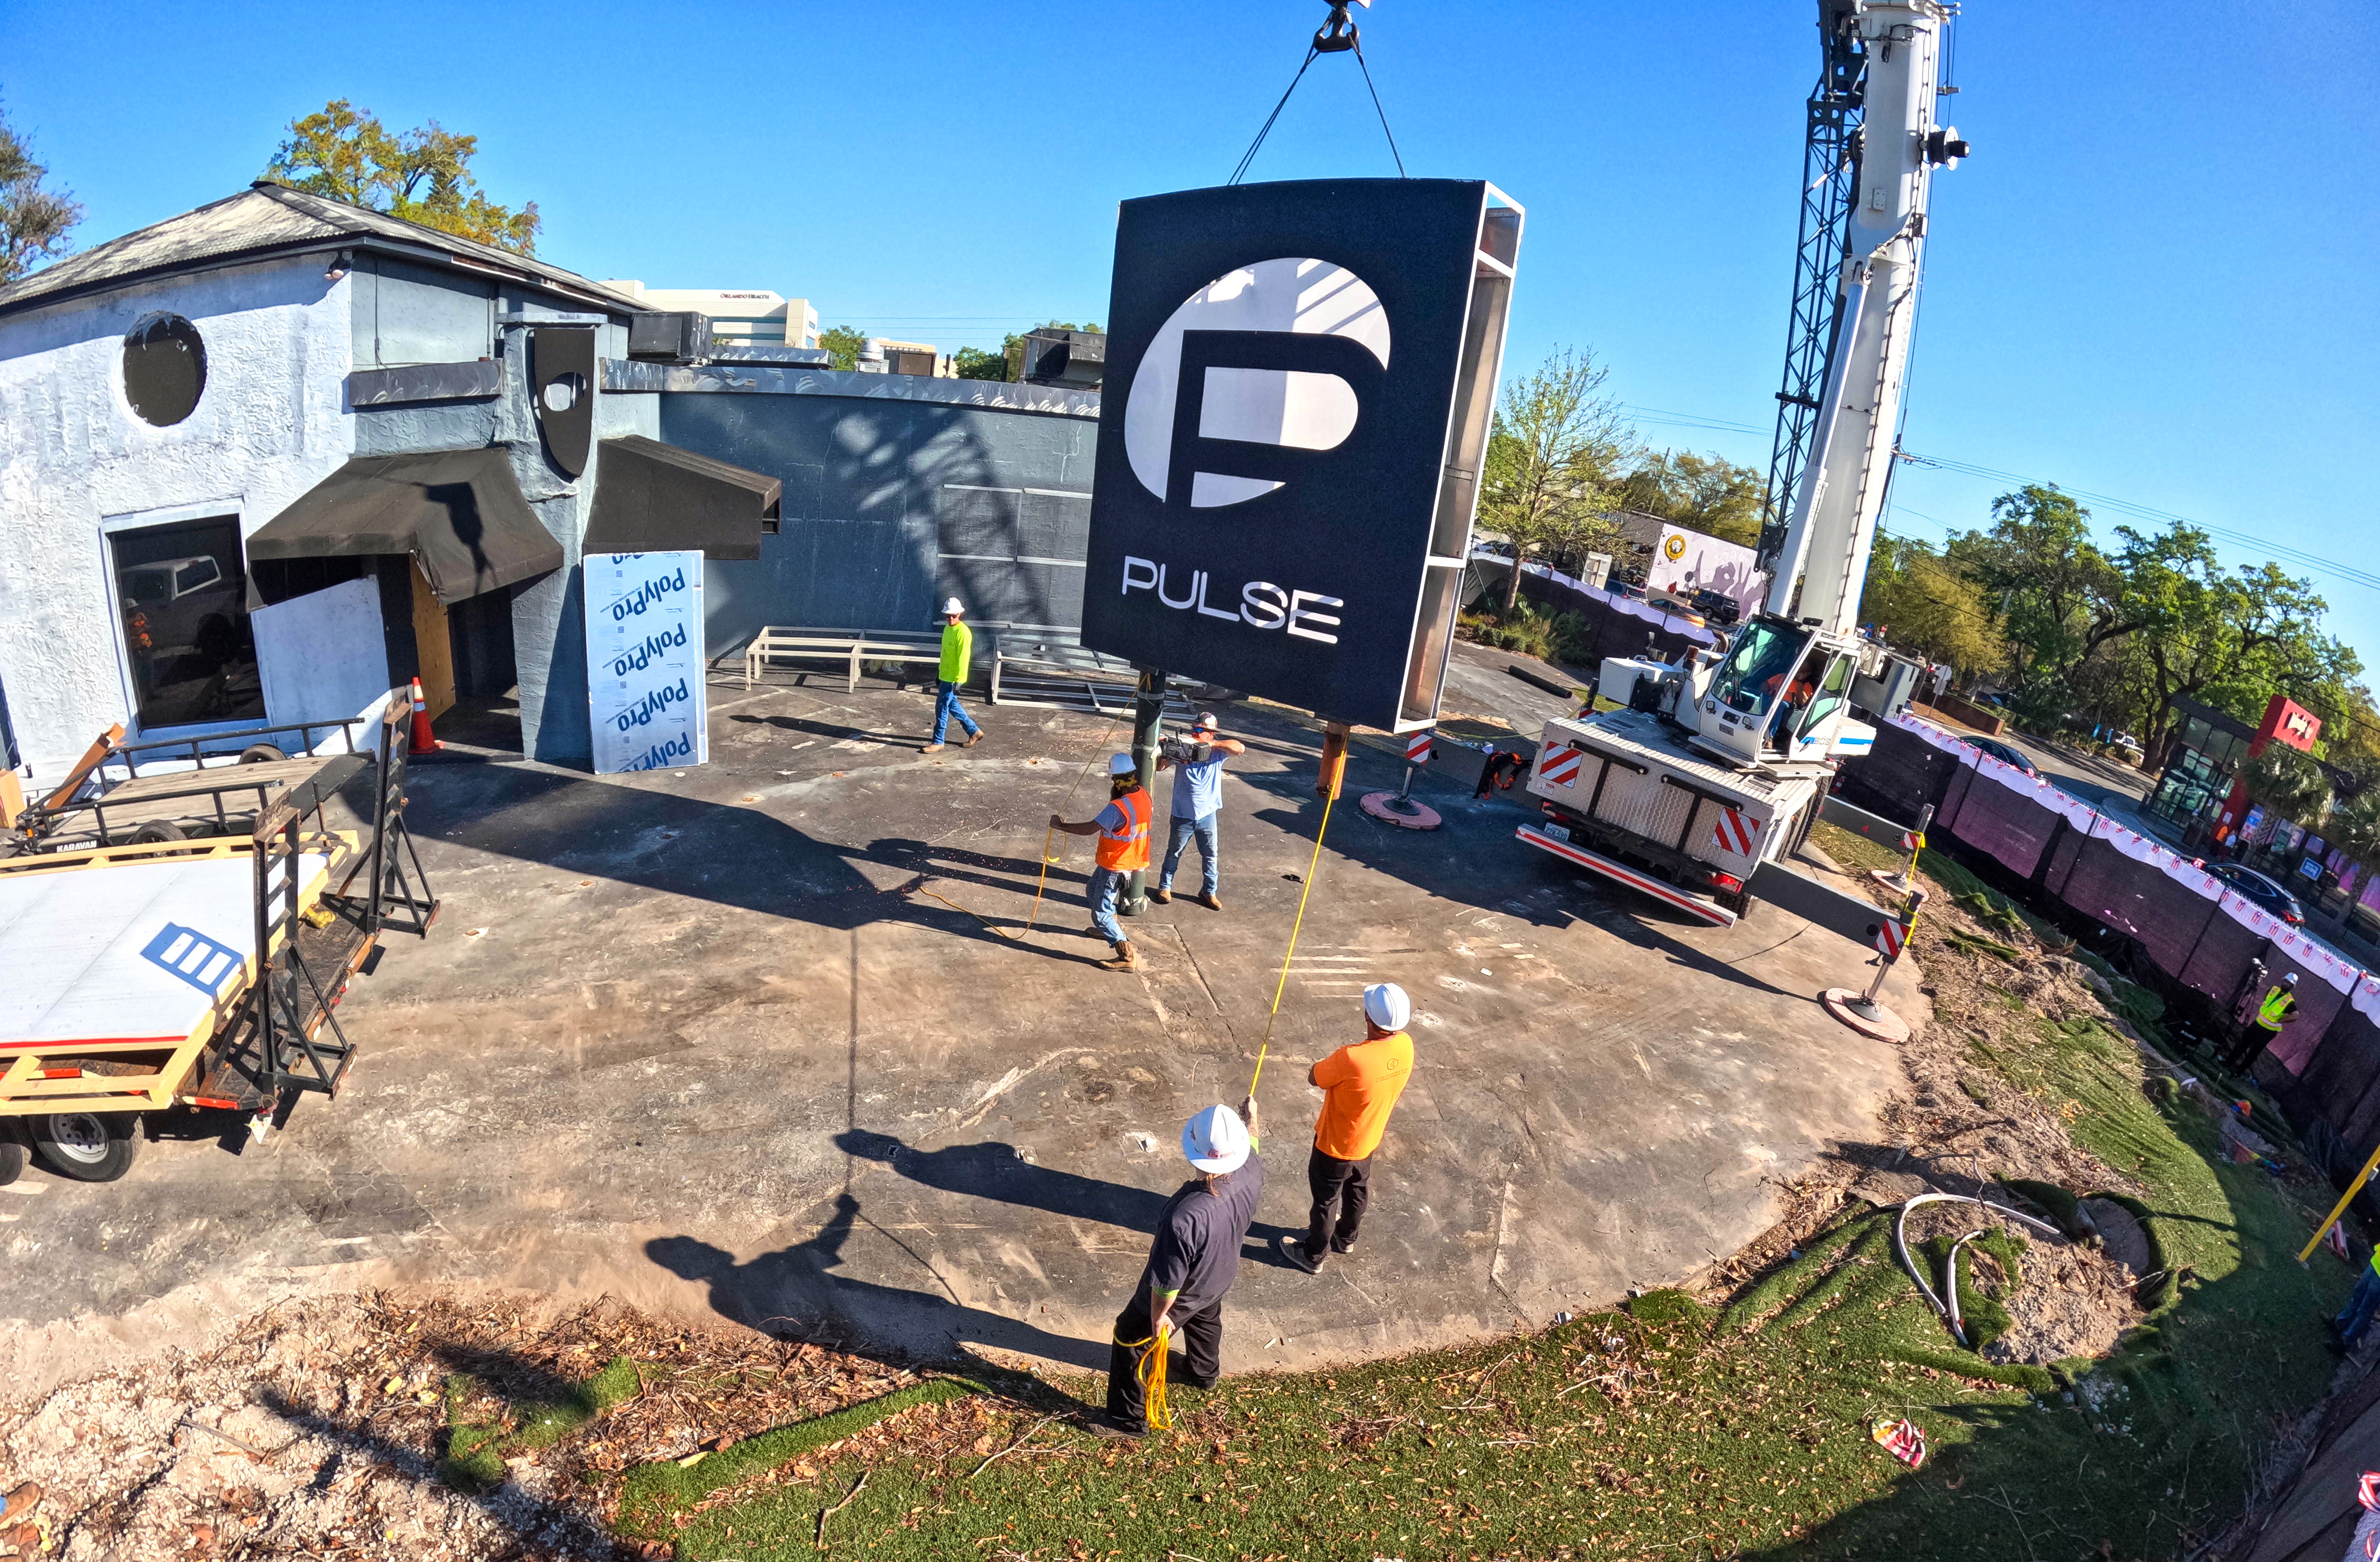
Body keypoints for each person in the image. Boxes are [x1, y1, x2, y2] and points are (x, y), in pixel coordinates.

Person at [1103, 1098, 1265, 1438]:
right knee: (1206, 1315)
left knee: (1130, 1337)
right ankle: (1203, 1372)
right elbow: (1252, 1140)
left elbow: (1167, 1284)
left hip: (1186, 1289)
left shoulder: (1184, 1218)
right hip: (1219, 1275)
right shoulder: (1252, 1165)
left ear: (1193, 1150)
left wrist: (1160, 1317)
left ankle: (1126, 1420)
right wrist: (1253, 1117)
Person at [1278, 983, 1415, 1274]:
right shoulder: (1406, 1046)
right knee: (1357, 1190)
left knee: (1326, 1202)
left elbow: (1315, 1077)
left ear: (1368, 1017)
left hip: (1335, 1146)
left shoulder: (1352, 1057)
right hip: (1369, 1140)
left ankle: (1314, 1254)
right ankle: (1346, 1237)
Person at [1052, 754, 1152, 971]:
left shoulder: (1118, 808)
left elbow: (1090, 829)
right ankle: (1109, 928)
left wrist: (1061, 826)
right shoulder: (1143, 795)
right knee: (1092, 890)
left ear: (1117, 781)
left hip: (1116, 864)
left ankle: (1126, 956)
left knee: (1100, 911)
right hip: (1126, 859)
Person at [1151, 712, 1244, 911]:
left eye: (1200, 730)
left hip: (1207, 815)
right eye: (1195, 729)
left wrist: (1212, 745)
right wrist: (1166, 754)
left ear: (1211, 734)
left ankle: (1209, 892)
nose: (1195, 733)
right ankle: (1165, 887)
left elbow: (1240, 748)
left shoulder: (1218, 753)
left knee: (1210, 855)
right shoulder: (1185, 749)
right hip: (1183, 815)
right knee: (1174, 852)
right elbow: (1160, 768)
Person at [922, 597, 981, 754]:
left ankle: (938, 741)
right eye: (948, 616)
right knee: (952, 706)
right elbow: (945, 654)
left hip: (953, 679)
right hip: (945, 676)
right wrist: (939, 672)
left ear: (959, 614)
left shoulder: (963, 633)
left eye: (954, 616)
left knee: (942, 708)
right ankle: (974, 731)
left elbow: (964, 658)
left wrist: (960, 681)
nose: (951, 619)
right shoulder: (948, 629)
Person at [2226, 971, 2299, 1072]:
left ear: (2292, 987)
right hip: (2258, 1023)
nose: (2286, 985)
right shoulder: (2274, 989)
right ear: (2283, 981)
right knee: (2242, 1043)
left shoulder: (2289, 1001)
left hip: (2269, 1030)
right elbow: (2267, 997)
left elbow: (2295, 1015)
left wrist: (2281, 1019)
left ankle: (2238, 1071)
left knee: (2254, 1052)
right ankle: (2228, 1062)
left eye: (2289, 984)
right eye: (2285, 982)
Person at [2335, 1244, 2380, 1354]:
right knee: (2357, 1296)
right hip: (2376, 1262)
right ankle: (2340, 1323)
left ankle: (2345, 1341)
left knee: (2365, 1310)